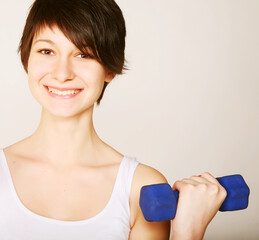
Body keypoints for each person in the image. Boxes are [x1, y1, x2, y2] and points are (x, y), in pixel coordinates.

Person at [0, 0, 227, 239]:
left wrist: (189, 232)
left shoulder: (140, 188)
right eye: (47, 51)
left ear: (110, 68)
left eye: (83, 54)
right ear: (27, 59)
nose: (62, 73)